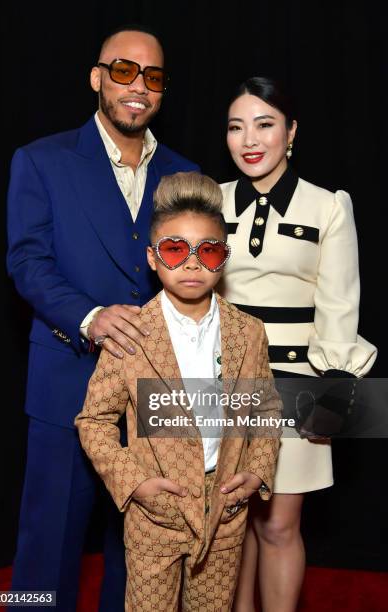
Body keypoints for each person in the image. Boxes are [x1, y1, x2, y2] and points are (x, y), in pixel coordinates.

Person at [6, 24, 198, 611]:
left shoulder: (188, 178)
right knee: (47, 548)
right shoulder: (42, 161)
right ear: (97, 79)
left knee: (143, 556)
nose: (138, 86)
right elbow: (27, 260)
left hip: (158, 398)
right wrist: (88, 317)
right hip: (68, 381)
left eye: (153, 76)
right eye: (123, 71)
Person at [75, 171, 282, 611]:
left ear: (223, 258)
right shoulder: (131, 333)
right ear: (153, 258)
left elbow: (264, 408)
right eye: (174, 249)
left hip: (224, 512)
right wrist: (137, 484)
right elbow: (93, 421)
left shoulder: (249, 332)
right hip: (155, 517)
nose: (191, 264)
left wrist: (257, 473)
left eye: (207, 251)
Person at [218, 77, 377, 612]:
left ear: (291, 132)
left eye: (265, 124)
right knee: (229, 524)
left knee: (280, 526)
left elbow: (339, 303)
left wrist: (334, 388)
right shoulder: (208, 201)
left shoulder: (328, 207)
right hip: (220, 380)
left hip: (296, 382)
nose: (250, 139)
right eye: (236, 126)